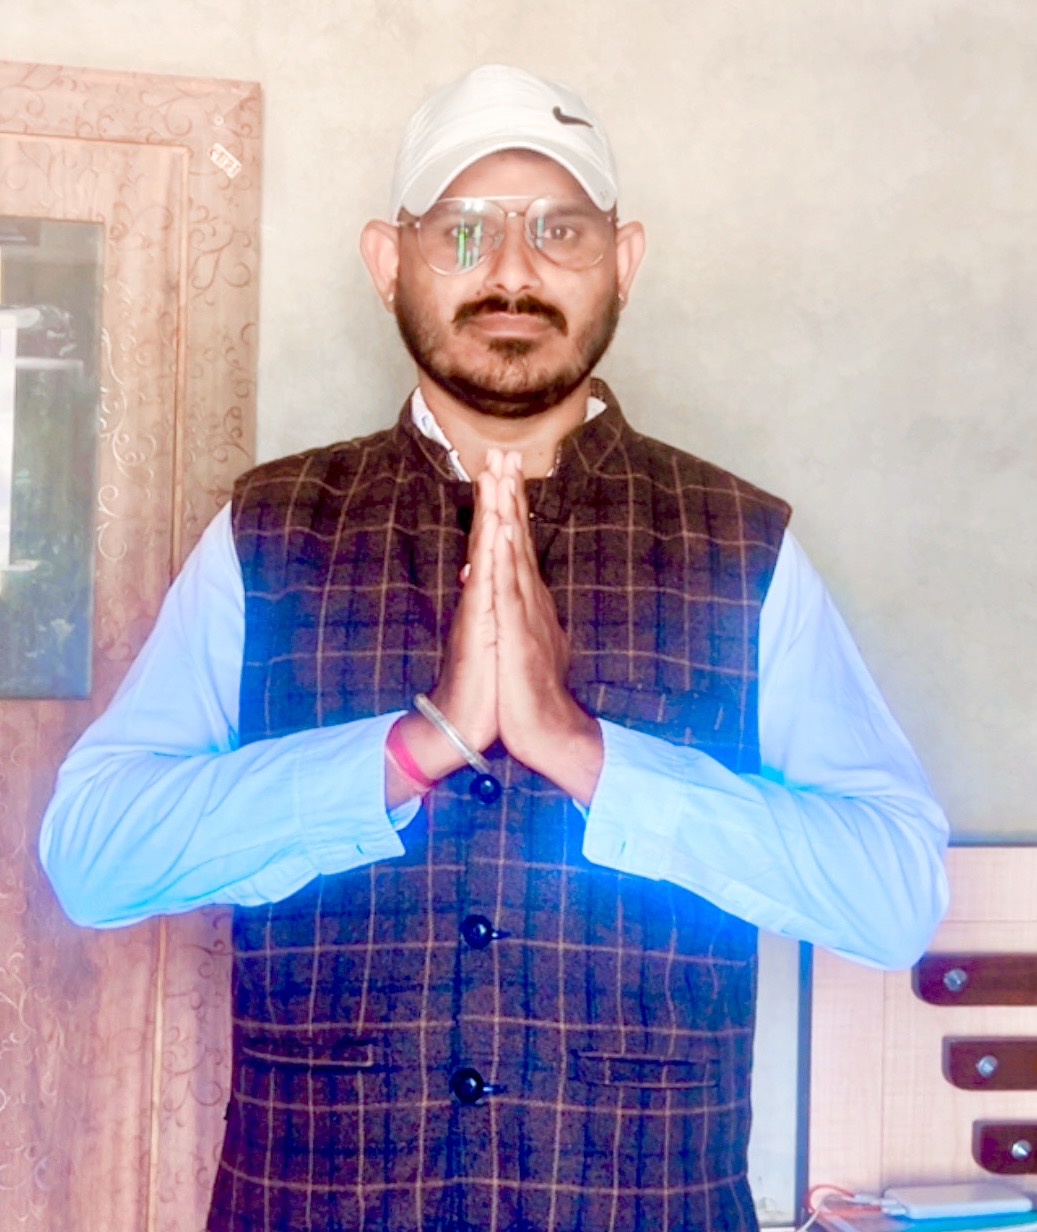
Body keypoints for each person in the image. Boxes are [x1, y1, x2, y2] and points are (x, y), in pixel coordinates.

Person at [40, 64, 948, 1232]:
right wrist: (413, 747)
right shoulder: (269, 529)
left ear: (622, 261)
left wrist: (586, 754)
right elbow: (93, 857)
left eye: (558, 229)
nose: (512, 269)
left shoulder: (740, 545)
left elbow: (892, 894)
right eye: (463, 230)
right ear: (389, 261)